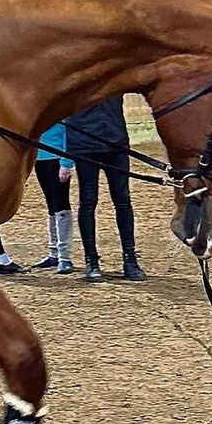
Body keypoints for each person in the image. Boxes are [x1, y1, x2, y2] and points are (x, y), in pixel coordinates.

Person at [67, 96, 147, 283]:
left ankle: (130, 259)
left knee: (123, 200)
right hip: (84, 142)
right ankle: (91, 260)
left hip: (115, 141)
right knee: (88, 201)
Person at [28, 122, 75, 274]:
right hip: (40, 158)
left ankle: (65, 257)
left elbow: (69, 133)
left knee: (61, 205)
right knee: (51, 206)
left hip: (57, 157)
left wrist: (66, 162)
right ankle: (54, 252)